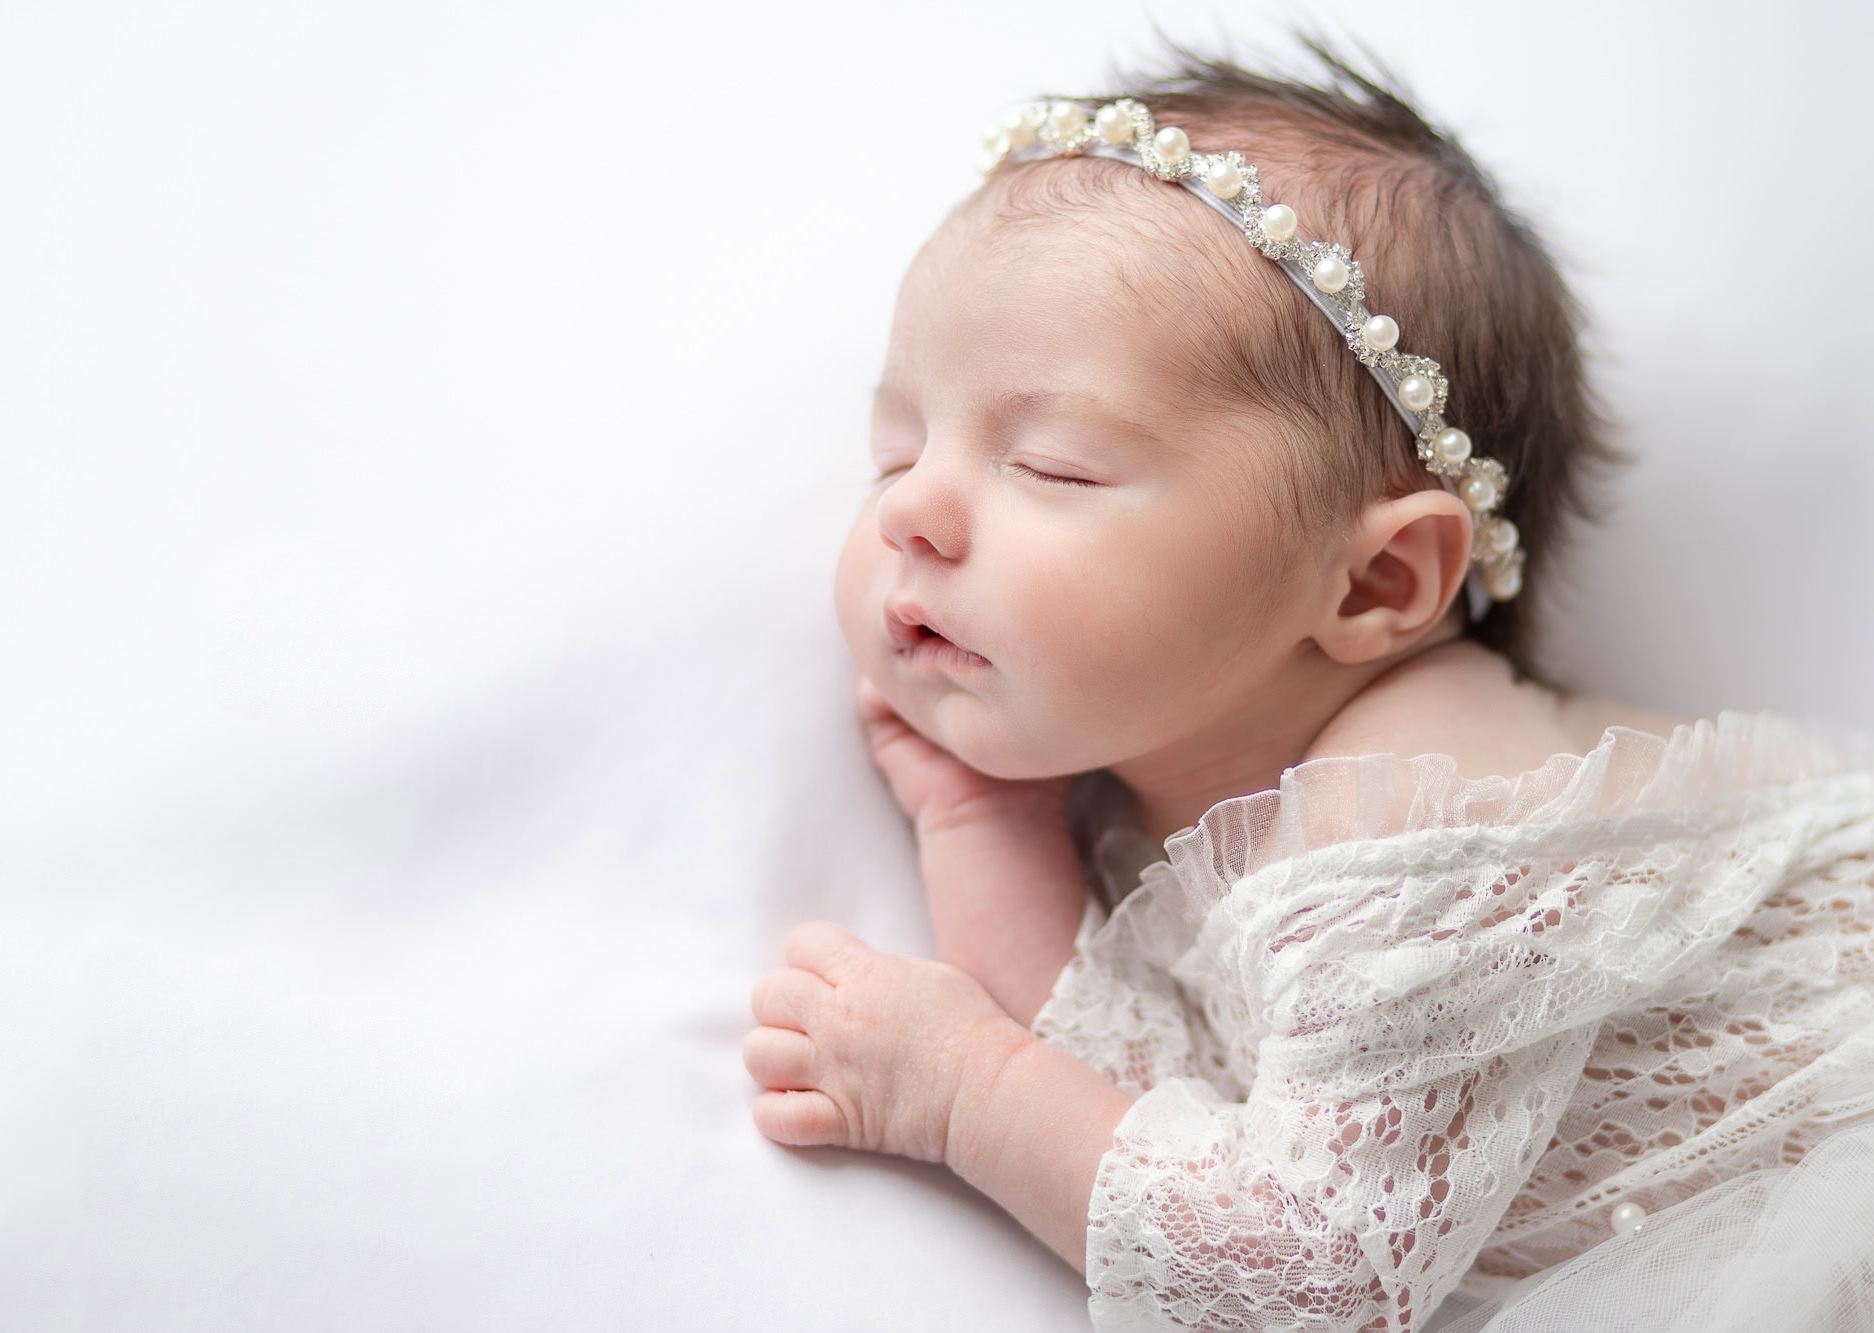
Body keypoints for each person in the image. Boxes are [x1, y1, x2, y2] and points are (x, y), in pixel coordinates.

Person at [741, 35, 1874, 1332]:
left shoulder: (1425, 813)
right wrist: (981, 826)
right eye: (897, 451)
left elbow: (1304, 1273)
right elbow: (1168, 1108)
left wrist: (966, 1088)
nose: (914, 514)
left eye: (1051, 465)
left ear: (1377, 586)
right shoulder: (1176, 799)